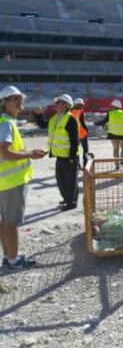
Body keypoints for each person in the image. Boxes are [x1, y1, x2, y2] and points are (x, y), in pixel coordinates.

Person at [0, 86, 46, 270]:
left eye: (21, 98)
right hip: (12, 183)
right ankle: (13, 260)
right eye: (14, 98)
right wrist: (30, 154)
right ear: (4, 102)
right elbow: (5, 152)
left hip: (5, 182)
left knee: (4, 221)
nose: (20, 101)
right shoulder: (6, 123)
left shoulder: (5, 121)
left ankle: (8, 256)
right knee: (11, 223)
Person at [34, 94, 79, 212]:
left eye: (58, 103)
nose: (55, 105)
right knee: (61, 180)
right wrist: (38, 115)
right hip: (59, 154)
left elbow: (75, 140)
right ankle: (67, 198)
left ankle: (72, 202)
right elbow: (43, 124)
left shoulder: (70, 118)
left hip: (69, 156)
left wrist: (72, 156)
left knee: (70, 180)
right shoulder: (55, 118)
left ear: (65, 105)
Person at [94, 99, 123, 169]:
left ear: (115, 106)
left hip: (113, 134)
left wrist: (96, 123)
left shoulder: (110, 113)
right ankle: (122, 162)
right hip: (122, 134)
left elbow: (103, 122)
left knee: (115, 149)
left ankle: (117, 165)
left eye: (112, 106)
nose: (111, 107)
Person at [70, 98, 89, 168]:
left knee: (76, 150)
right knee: (85, 150)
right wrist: (87, 130)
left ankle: (77, 164)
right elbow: (82, 123)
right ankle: (85, 164)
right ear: (76, 105)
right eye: (81, 105)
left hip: (74, 135)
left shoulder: (70, 112)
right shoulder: (80, 111)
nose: (82, 106)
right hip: (82, 134)